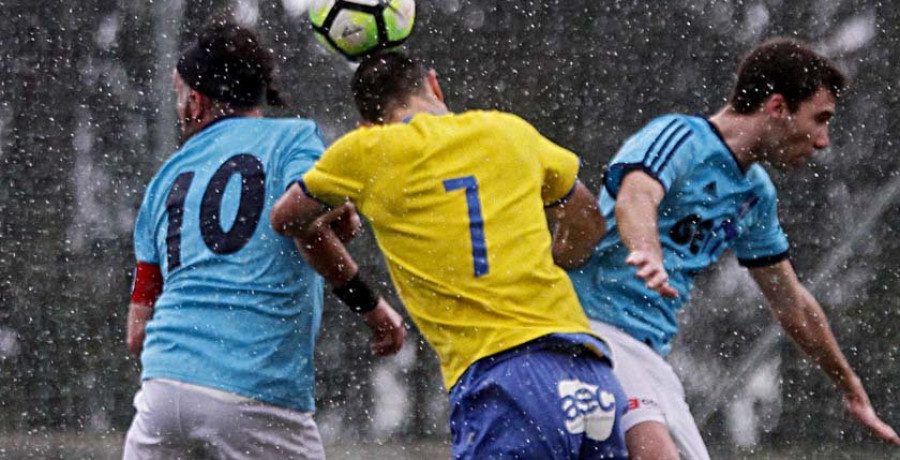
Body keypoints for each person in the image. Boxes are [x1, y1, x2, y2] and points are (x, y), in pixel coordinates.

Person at [271, 52, 629, 459]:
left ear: (366, 125)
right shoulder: (509, 131)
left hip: (505, 379)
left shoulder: (367, 151)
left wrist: (340, 208)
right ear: (435, 85)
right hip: (588, 369)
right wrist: (555, 258)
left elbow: (286, 217)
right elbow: (588, 221)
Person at [567, 37, 900, 459]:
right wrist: (646, 251)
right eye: (820, 119)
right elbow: (637, 194)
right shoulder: (680, 136)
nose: (823, 140)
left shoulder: (754, 194)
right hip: (591, 328)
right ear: (778, 108)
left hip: (649, 354)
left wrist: (850, 387)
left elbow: (792, 304)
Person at [123, 22, 404, 459]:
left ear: (195, 102)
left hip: (163, 393)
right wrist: (373, 307)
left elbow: (137, 332)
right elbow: (303, 220)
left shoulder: (163, 181)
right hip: (253, 388)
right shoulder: (293, 138)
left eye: (179, 97)